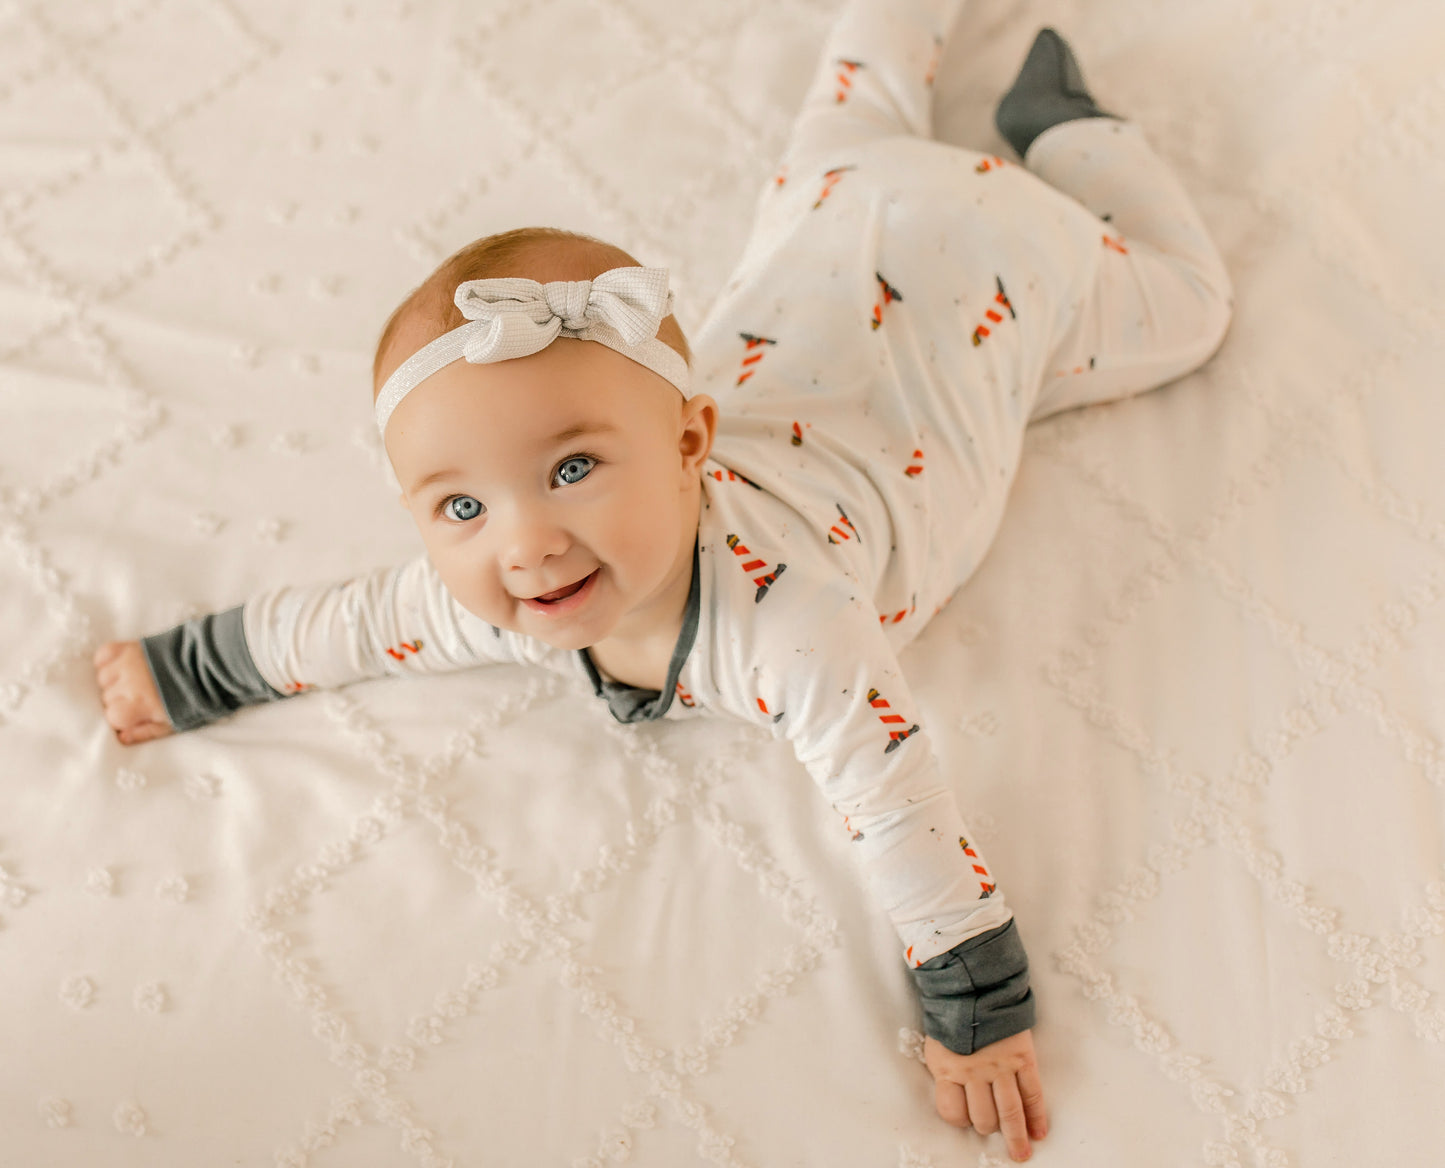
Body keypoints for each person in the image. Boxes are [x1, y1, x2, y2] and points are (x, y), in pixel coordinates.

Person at [93, 1, 1232, 1159]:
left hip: (994, 257)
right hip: (828, 198)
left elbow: (895, 801)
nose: (524, 544)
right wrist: (187, 670)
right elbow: (357, 622)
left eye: (574, 468)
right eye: (462, 507)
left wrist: (977, 1011)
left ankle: (1071, 136)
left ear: (693, 441)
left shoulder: (787, 623)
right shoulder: (508, 580)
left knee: (1189, 305)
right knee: (854, 112)